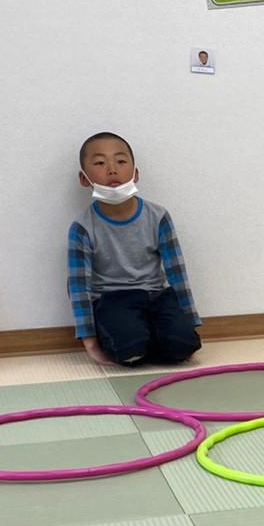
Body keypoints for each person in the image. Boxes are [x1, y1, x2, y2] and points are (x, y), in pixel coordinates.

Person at [69, 132, 202, 367]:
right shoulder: (82, 227)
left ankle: (153, 338)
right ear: (84, 178)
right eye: (100, 163)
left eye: (121, 161)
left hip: (157, 297)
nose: (112, 170)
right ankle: (136, 340)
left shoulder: (158, 216)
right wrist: (90, 342)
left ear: (136, 173)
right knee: (130, 350)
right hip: (112, 300)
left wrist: (190, 322)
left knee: (182, 347)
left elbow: (177, 273)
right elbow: (79, 287)